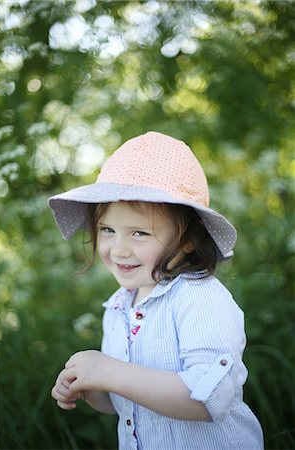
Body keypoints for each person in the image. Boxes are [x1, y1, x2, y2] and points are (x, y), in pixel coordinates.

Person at [49, 131, 264, 450]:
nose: (118, 250)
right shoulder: (119, 307)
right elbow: (127, 402)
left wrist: (110, 372)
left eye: (139, 233)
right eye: (107, 230)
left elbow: (208, 400)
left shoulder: (200, 298)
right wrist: (93, 385)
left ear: (188, 239)